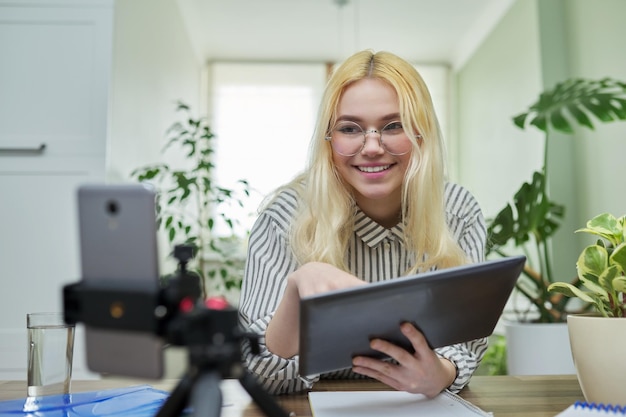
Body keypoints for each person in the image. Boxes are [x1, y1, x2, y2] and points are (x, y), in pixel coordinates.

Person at [238, 49, 487, 396]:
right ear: (329, 140)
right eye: (350, 128)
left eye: (393, 125)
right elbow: (261, 374)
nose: (371, 147)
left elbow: (464, 350)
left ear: (421, 134)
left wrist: (440, 373)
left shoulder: (458, 212)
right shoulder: (285, 216)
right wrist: (299, 288)